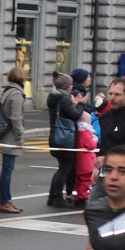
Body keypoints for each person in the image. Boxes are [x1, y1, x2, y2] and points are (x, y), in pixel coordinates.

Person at [48, 70, 83, 208]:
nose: (72, 87)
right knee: (64, 169)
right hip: (65, 137)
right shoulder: (64, 97)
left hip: (56, 136)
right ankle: (57, 198)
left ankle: (53, 196)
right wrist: (80, 104)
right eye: (70, 84)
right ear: (66, 85)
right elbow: (74, 115)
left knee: (62, 168)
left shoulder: (55, 96)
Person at [0, 67, 27, 213]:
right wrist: (20, 135)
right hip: (11, 137)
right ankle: (4, 202)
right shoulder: (16, 94)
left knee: (7, 169)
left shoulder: (8, 90)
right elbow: (16, 117)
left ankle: (7, 200)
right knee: (7, 170)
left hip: (6, 135)